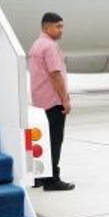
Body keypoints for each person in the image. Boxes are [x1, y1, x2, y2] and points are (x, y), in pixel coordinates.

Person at [28, 11, 74, 190]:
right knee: (54, 141)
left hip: (39, 101)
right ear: (46, 27)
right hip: (53, 101)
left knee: (42, 141)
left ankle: (39, 177)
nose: (61, 30)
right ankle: (52, 179)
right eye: (58, 26)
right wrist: (65, 99)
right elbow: (55, 74)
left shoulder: (36, 45)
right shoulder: (50, 46)